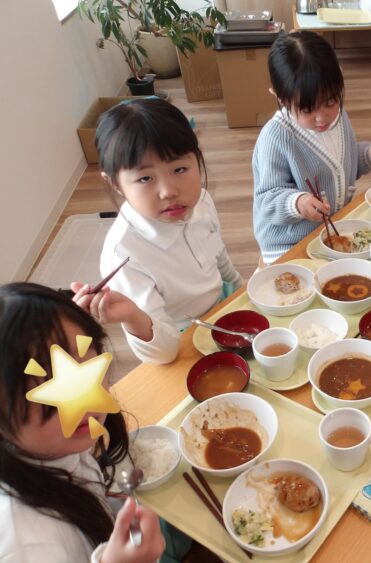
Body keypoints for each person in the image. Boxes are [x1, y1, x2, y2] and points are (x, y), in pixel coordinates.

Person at [0, 282, 165, 562]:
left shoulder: (59, 447)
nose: (83, 398)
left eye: (83, 363)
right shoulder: (26, 544)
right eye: (44, 383)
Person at [73, 98, 243, 364]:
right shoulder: (123, 254)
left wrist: (242, 290)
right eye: (145, 178)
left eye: (180, 169)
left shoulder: (201, 202)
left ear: (198, 159)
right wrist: (132, 317)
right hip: (178, 337)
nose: (168, 191)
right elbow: (164, 353)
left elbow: (218, 255)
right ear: (115, 183)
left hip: (223, 306)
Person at [252, 30, 371, 264]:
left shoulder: (339, 118)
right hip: (289, 243)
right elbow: (266, 201)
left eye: (330, 102)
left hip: (334, 230)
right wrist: (299, 203)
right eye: (308, 109)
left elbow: (342, 167)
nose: (322, 117)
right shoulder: (275, 137)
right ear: (282, 99)